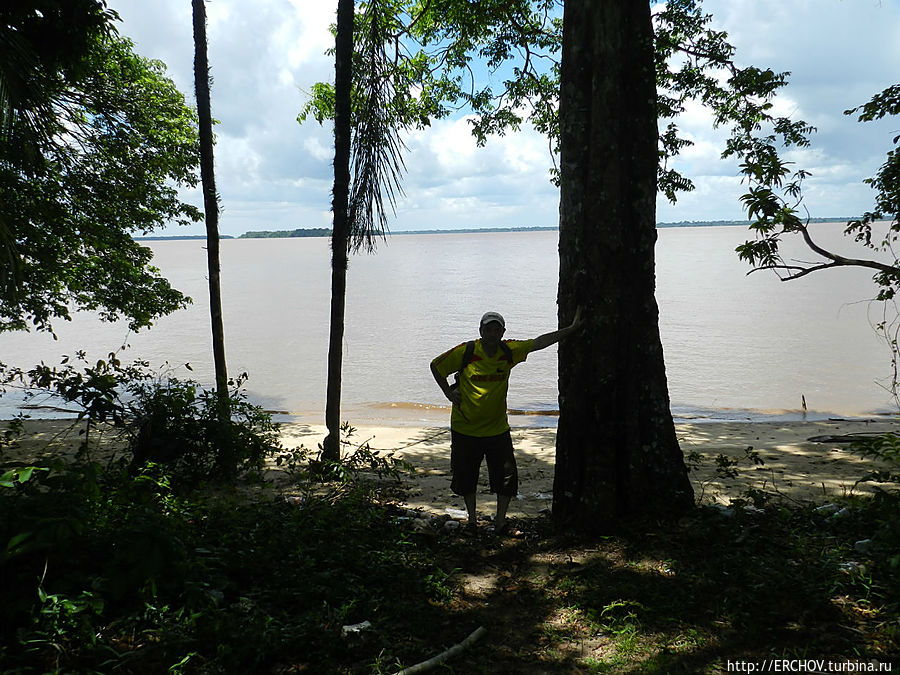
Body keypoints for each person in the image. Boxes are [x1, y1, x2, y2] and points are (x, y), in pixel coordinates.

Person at [430, 308, 583, 534]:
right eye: (488, 329)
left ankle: (500, 522)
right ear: (480, 331)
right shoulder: (467, 351)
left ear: (503, 332)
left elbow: (539, 342)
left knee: (507, 478)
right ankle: (472, 521)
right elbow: (436, 366)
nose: (492, 333)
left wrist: (570, 330)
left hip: (497, 429)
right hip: (465, 429)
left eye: (496, 329)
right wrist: (448, 394)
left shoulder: (509, 351)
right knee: (465, 478)